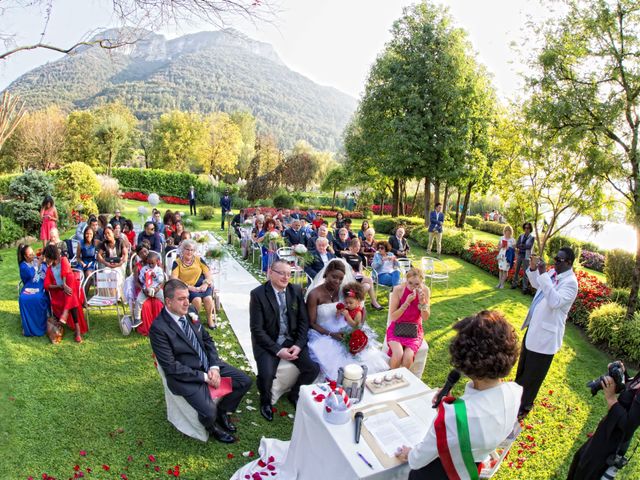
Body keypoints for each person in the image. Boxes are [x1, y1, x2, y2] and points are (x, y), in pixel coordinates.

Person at [395, 311, 522, 479]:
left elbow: (418, 460)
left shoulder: (453, 416)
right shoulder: (515, 391)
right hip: (472, 466)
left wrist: (409, 454)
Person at [149, 279, 252, 443]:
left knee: (244, 381)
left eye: (187, 297)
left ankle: (223, 411)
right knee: (208, 413)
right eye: (181, 299)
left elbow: (207, 340)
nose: (186, 303)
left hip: (207, 364)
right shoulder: (159, 328)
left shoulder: (190, 310)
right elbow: (171, 367)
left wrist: (214, 367)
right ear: (168, 302)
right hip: (186, 376)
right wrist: (205, 377)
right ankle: (212, 428)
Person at [249, 259, 320, 421]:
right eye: (281, 273)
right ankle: (265, 402)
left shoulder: (295, 290)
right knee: (266, 375)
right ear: (271, 273)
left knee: (313, 369)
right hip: (268, 342)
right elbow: (257, 330)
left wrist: (298, 345)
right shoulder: (258, 294)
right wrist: (278, 350)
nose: (286, 277)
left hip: (291, 339)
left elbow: (304, 321)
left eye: (289, 274)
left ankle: (294, 394)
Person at [515, 247, 578, 418]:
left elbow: (555, 301)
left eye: (559, 259)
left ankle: (523, 406)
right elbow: (538, 285)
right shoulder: (551, 273)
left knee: (532, 376)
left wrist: (543, 274)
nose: (555, 261)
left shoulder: (571, 283)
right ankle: (514, 400)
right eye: (555, 258)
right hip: (533, 329)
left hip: (546, 339)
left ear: (569, 263)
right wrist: (534, 270)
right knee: (522, 369)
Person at [305, 259, 389, 380]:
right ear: (326, 273)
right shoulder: (314, 294)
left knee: (363, 356)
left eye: (340, 278)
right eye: (334, 277)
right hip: (323, 333)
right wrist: (332, 334)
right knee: (338, 361)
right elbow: (312, 323)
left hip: (345, 327)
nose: (337, 281)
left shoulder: (343, 290)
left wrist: (358, 326)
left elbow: (360, 307)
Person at [567, 363, 640, 480]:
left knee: (587, 473)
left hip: (614, 441)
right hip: (608, 429)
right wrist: (622, 375)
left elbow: (627, 426)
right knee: (580, 461)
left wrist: (611, 398)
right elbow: (631, 390)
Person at [387, 268, 431, 369]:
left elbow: (425, 317)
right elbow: (393, 317)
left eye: (417, 284)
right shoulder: (398, 289)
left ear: (422, 283)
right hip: (396, 327)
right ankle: (389, 378)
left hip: (414, 330)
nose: (412, 287)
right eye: (410, 283)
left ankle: (401, 380)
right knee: (398, 354)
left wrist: (422, 302)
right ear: (406, 280)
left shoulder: (425, 291)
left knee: (408, 357)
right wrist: (406, 303)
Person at [43, 244, 87, 343]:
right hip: (61, 292)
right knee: (71, 297)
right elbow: (46, 285)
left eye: (48, 257)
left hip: (70, 287)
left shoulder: (63, 260)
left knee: (70, 278)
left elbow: (66, 272)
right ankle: (77, 330)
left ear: (52, 255)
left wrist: (64, 284)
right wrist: (60, 286)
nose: (47, 259)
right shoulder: (50, 269)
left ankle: (66, 311)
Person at [171, 239, 216, 329]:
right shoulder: (177, 262)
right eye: (187, 249)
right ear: (182, 250)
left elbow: (208, 274)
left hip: (202, 283)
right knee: (197, 300)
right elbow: (174, 279)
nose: (189, 252)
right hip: (186, 286)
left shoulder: (199, 259)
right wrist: (189, 287)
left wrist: (206, 284)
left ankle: (209, 318)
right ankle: (195, 320)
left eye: (192, 250)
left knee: (208, 298)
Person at [17, 244, 50, 337]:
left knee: (39, 297)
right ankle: (28, 327)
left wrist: (42, 261)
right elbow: (31, 275)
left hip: (40, 284)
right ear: (25, 256)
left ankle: (41, 324)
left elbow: (44, 268)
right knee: (23, 298)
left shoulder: (35, 260)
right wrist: (38, 263)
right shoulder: (23, 266)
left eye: (32, 253)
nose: (33, 255)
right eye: (30, 254)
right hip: (29, 285)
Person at [341, 238, 382, 310]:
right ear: (351, 247)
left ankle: (355, 302)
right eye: (355, 246)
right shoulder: (345, 257)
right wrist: (352, 273)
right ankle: (374, 302)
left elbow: (360, 270)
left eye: (359, 246)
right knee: (369, 280)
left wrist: (360, 274)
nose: (358, 248)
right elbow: (344, 269)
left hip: (357, 278)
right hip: (348, 278)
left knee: (367, 286)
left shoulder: (359, 258)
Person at [134, 251, 165, 326]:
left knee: (165, 299)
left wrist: (155, 276)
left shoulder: (158, 270)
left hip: (156, 289)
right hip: (146, 289)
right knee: (138, 301)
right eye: (149, 263)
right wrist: (143, 277)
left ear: (157, 262)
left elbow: (161, 280)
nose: (150, 265)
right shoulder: (144, 268)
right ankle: (137, 318)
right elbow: (140, 280)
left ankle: (168, 314)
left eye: (152, 263)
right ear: (147, 261)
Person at [511, 222, 535, 293]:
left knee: (525, 273)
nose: (526, 229)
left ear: (530, 229)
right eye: (525, 228)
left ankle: (524, 288)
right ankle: (514, 284)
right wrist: (522, 246)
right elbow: (517, 245)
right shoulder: (521, 236)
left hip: (526, 257)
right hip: (520, 255)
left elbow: (529, 247)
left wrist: (521, 246)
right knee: (516, 271)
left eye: (528, 228)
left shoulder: (532, 238)